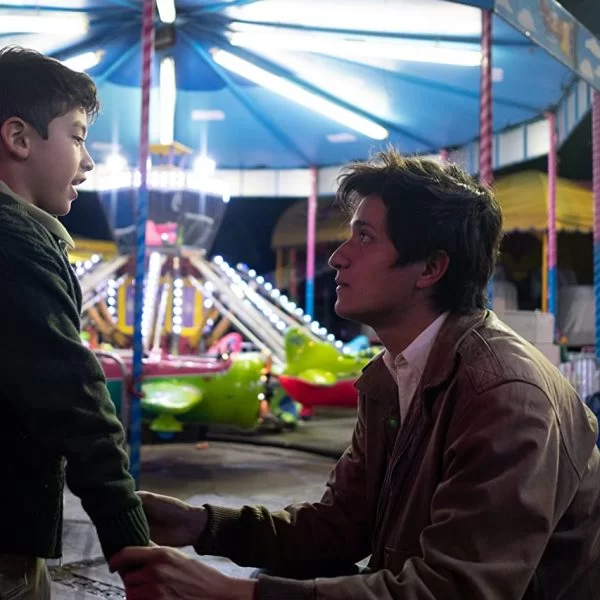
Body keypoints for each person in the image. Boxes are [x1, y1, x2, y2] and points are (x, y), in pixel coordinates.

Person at [110, 150, 600, 599]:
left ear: (430, 268)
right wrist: (199, 525)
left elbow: (455, 591)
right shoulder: (393, 375)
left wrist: (231, 593)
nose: (337, 257)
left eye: (364, 237)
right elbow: (340, 525)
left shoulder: (505, 395)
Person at [0, 46, 149, 598]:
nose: (87, 163)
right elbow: (75, 397)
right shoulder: (16, 244)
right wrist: (130, 537)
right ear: (19, 138)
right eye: (78, 137)